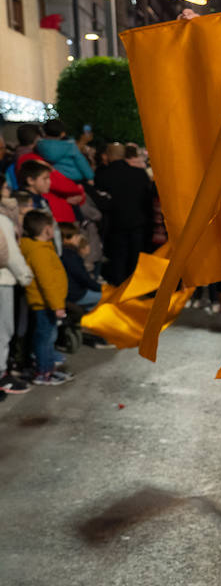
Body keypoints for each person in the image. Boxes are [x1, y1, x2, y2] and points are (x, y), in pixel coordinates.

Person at [19, 210, 69, 386]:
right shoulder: (39, 252)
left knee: (47, 336)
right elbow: (46, 282)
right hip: (45, 303)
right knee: (45, 337)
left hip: (47, 302)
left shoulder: (41, 248)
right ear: (47, 229)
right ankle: (44, 371)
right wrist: (57, 305)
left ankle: (47, 368)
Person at [93, 142, 154, 284]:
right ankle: (134, 285)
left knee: (117, 258)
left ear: (108, 156)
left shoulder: (103, 176)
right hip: (139, 221)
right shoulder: (139, 174)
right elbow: (147, 198)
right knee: (135, 256)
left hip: (115, 224)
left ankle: (119, 287)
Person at [0, 182, 33, 396]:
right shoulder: (2, 220)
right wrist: (26, 276)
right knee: (3, 330)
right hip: (3, 279)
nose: (9, 189)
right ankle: (2, 375)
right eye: (4, 187)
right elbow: (11, 253)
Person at [35, 120, 95, 184]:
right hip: (73, 178)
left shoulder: (39, 146)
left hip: (55, 178)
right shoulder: (69, 146)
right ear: (62, 134)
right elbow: (81, 161)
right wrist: (90, 177)